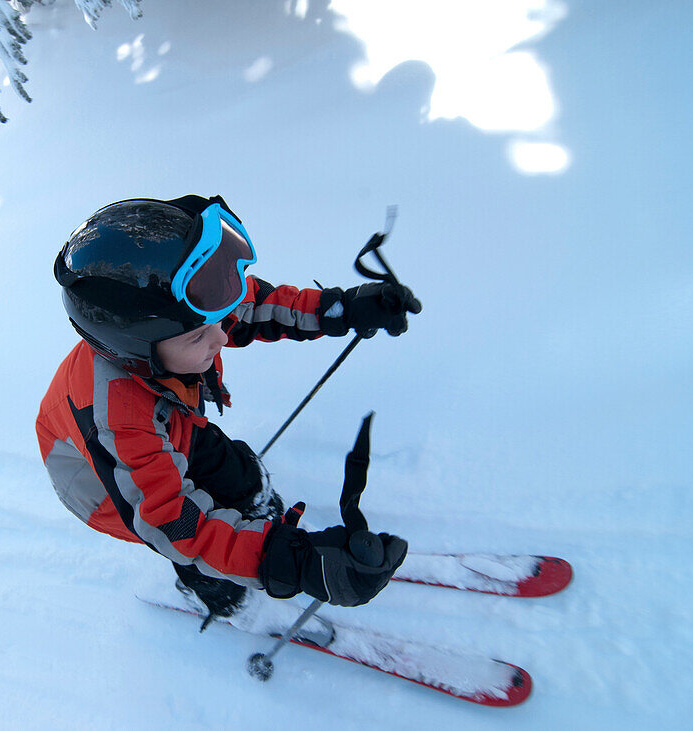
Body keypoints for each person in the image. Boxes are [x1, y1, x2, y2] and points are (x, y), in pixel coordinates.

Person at [35, 195, 419, 645]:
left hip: (166, 421)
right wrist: (288, 565)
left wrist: (341, 309)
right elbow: (176, 526)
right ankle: (228, 598)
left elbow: (253, 306)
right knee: (189, 545)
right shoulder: (116, 417)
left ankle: (257, 529)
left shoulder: (186, 316)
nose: (223, 335)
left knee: (238, 473)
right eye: (201, 334)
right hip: (101, 482)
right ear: (138, 350)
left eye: (217, 322)